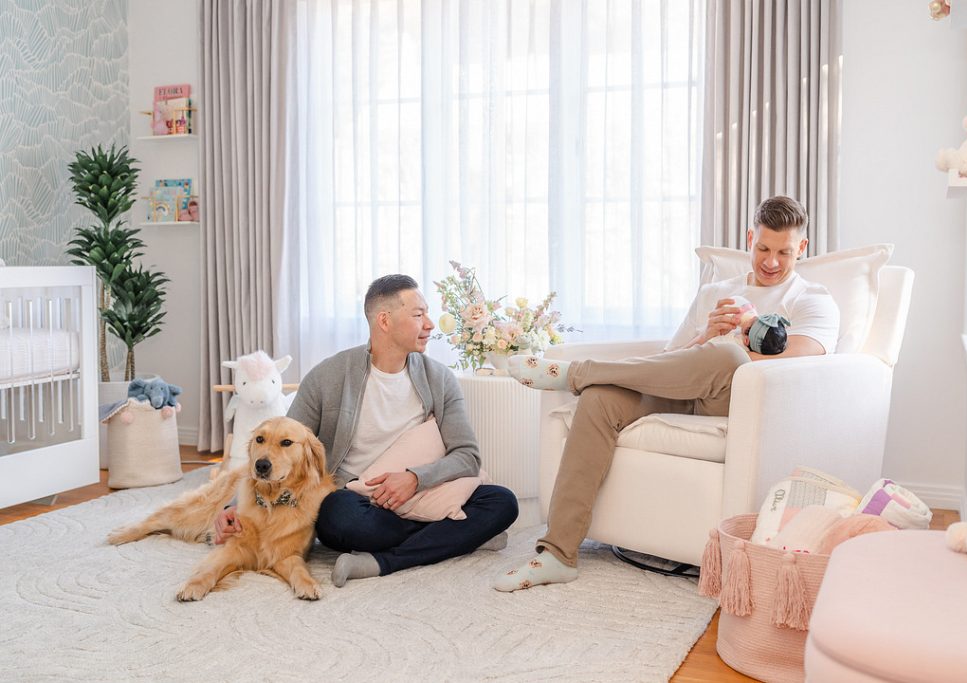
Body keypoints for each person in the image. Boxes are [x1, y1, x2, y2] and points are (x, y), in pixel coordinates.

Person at [493, 195, 840, 591]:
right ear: (749, 238)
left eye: (785, 252)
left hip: (741, 402)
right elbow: (668, 359)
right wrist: (705, 335)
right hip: (683, 389)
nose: (772, 261)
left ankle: (578, 373)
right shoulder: (716, 292)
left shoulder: (813, 299)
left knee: (727, 354)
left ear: (803, 249)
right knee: (600, 399)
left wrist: (727, 347)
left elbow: (800, 360)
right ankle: (558, 554)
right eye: (763, 248)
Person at [215, 274, 519, 587]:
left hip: (425, 494)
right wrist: (234, 507)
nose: (430, 324)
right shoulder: (327, 377)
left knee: (503, 502)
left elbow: (467, 456)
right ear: (384, 321)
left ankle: (382, 562)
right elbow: (281, 449)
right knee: (335, 516)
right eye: (418, 315)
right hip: (360, 504)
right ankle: (455, 536)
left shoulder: (439, 378)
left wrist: (415, 478)